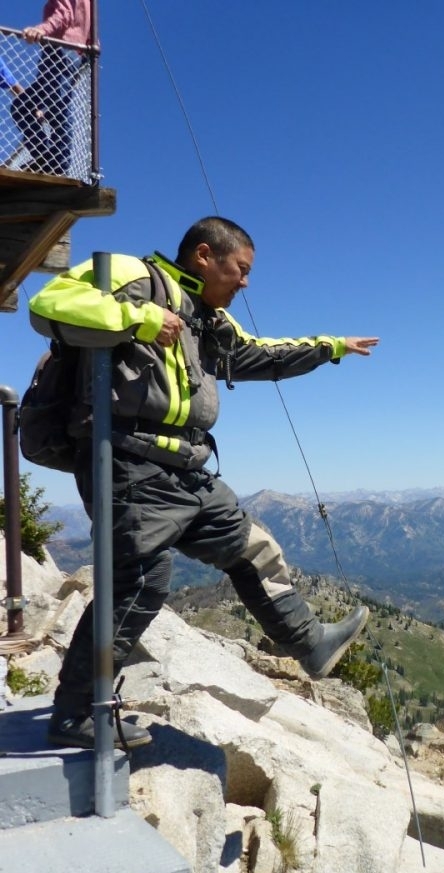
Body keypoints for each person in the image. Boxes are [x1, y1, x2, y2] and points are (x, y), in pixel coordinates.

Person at [27, 216, 379, 749]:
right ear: (203, 256)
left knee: (252, 547)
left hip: (185, 469)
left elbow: (259, 354)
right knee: (140, 582)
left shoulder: (207, 318)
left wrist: (330, 347)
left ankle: (309, 643)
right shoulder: (132, 275)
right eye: (241, 270)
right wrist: (139, 318)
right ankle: (76, 712)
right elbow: (48, 305)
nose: (245, 283)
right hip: (128, 461)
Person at [13, 0, 92, 175]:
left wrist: (42, 30)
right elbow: (91, 32)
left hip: (58, 50)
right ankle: (46, 157)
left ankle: (58, 163)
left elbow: (63, 14)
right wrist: (87, 56)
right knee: (24, 107)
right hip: (72, 55)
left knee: (58, 108)